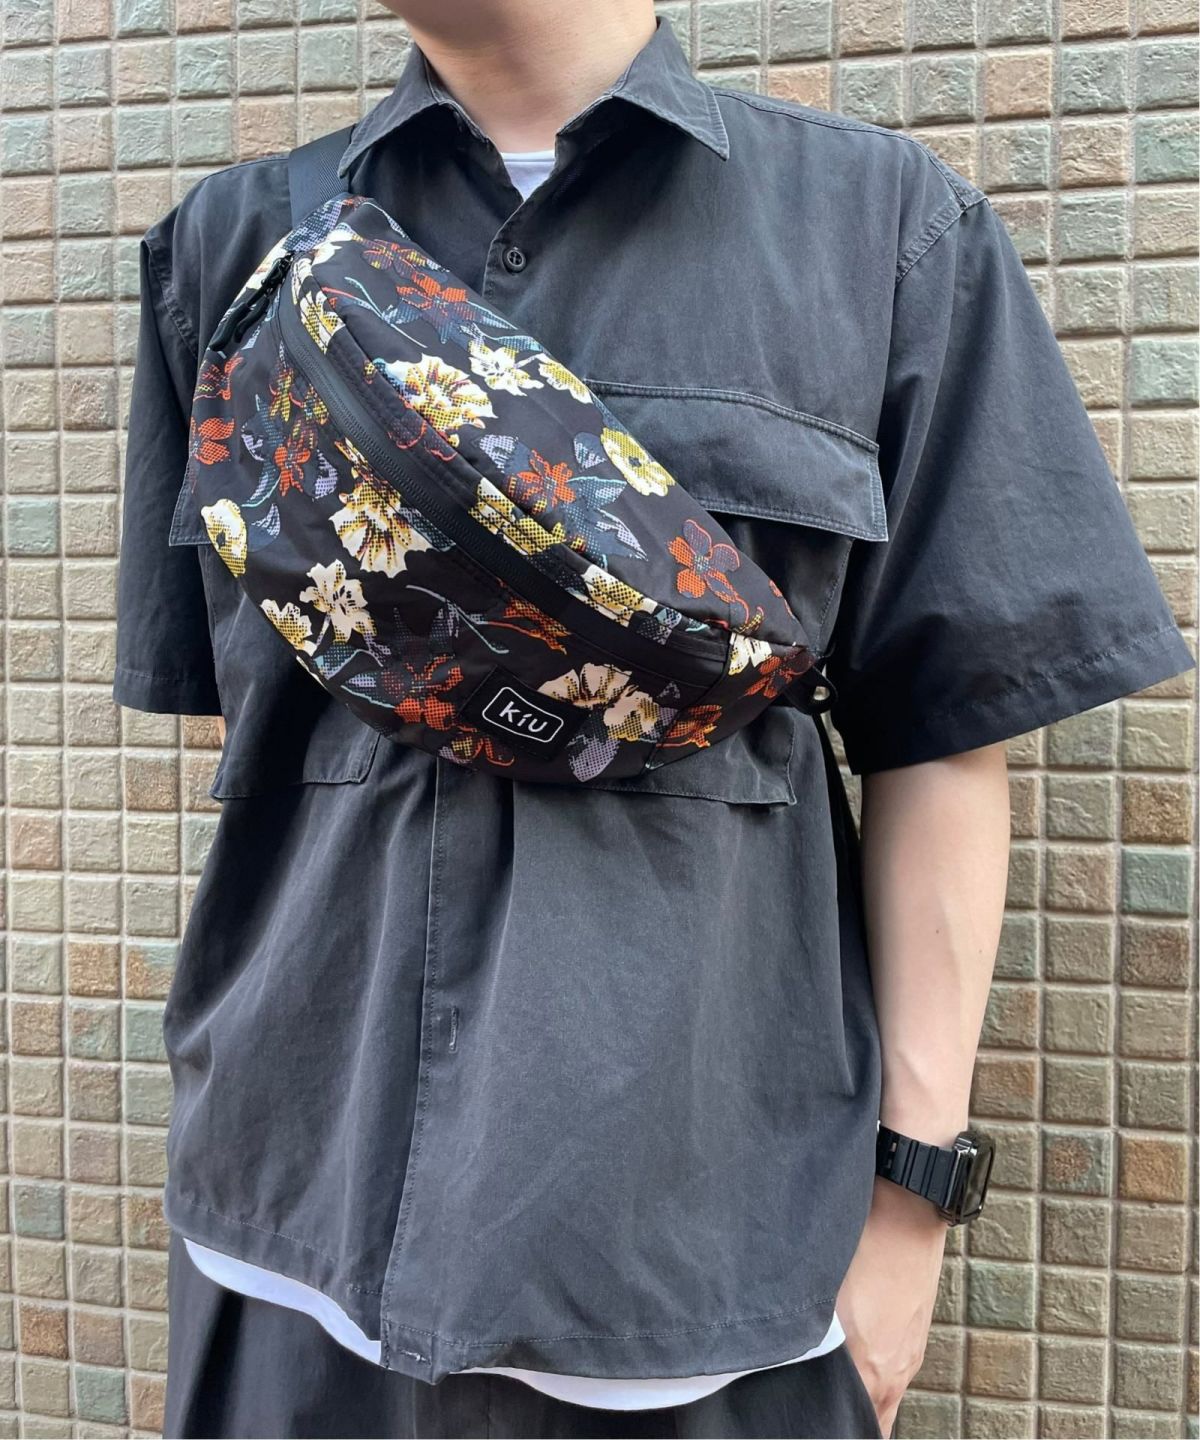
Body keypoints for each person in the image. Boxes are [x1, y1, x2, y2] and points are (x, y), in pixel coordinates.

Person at [112, 3, 1196, 1437]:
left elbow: (943, 735)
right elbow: (258, 737)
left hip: (704, 1281)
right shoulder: (230, 248)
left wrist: (912, 1207)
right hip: (282, 1242)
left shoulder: (880, 234)